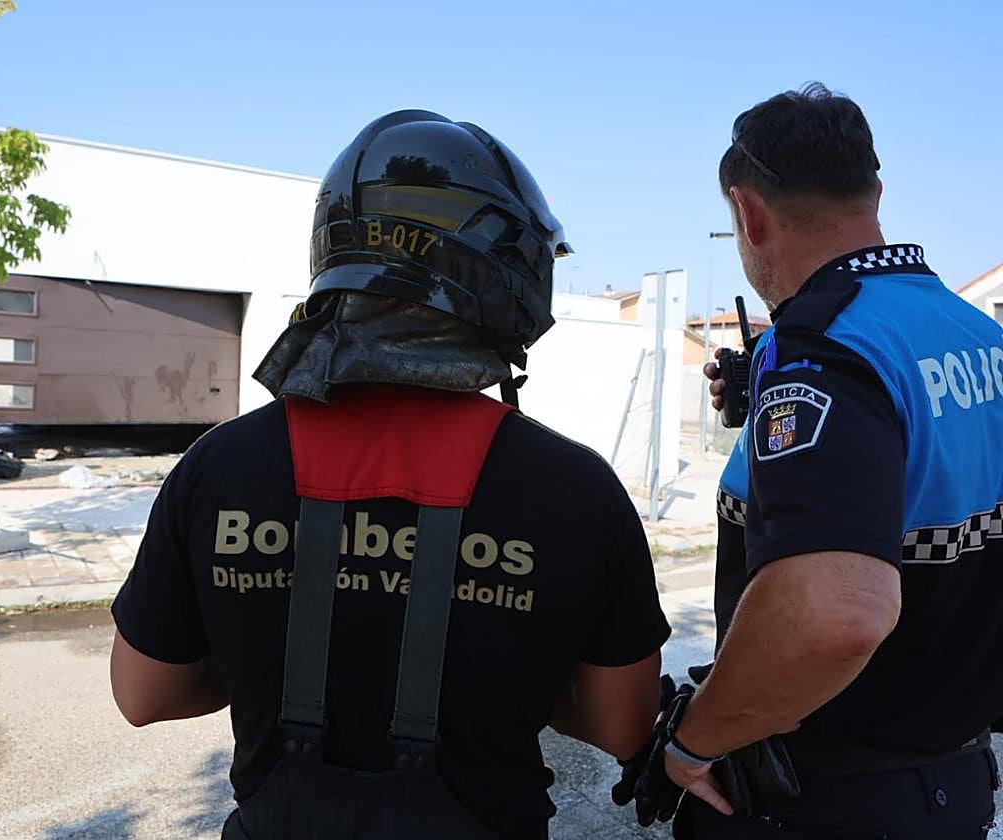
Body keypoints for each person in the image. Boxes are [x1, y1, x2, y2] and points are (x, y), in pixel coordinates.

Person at [108, 109, 672, 840]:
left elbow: (143, 694)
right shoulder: (576, 489)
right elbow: (623, 727)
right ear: (509, 273)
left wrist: (257, 661)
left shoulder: (219, 466)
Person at [632, 82, 1003, 839]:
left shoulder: (827, 352)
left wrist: (690, 741)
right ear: (874, 190)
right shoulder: (973, 334)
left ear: (747, 212)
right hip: (954, 783)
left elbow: (837, 615)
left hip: (822, 797)